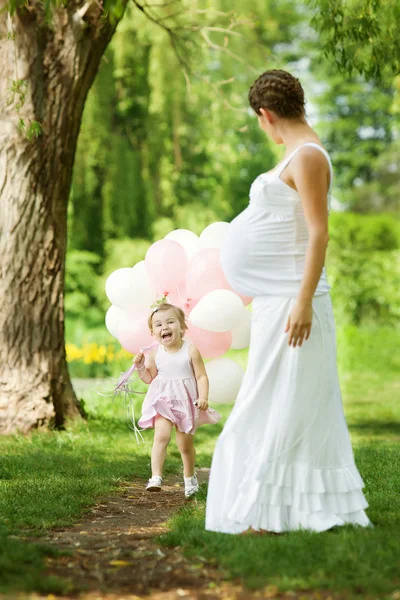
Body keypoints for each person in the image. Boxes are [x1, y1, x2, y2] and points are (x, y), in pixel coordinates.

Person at [205, 69, 371, 534]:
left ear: (266, 115)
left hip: (295, 303)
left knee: (277, 402)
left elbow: (319, 232)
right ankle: (277, 510)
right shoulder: (300, 155)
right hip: (279, 301)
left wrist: (301, 301)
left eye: (260, 121)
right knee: (280, 400)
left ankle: (265, 509)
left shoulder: (309, 156)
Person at [134, 302, 221, 498]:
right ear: (153, 332)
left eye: (170, 322)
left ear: (182, 327)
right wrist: (140, 367)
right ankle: (155, 477)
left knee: (185, 445)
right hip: (163, 401)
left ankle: (190, 478)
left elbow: (201, 376)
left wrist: (203, 397)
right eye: (158, 325)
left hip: (186, 403)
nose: (164, 327)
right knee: (161, 437)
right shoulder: (155, 353)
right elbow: (149, 378)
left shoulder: (190, 350)